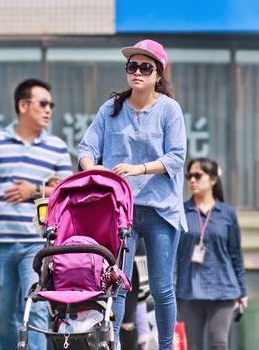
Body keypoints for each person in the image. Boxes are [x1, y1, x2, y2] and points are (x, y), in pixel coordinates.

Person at [78, 38, 187, 349]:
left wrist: (138, 169)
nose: (137, 72)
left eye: (145, 67)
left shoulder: (170, 110)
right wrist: (92, 170)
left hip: (160, 210)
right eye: (132, 66)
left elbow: (177, 157)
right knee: (117, 286)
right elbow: (87, 147)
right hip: (120, 210)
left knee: (161, 287)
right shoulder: (110, 109)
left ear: (158, 74)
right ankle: (112, 345)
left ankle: (165, 346)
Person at [0, 78, 73, 350]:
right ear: (23, 105)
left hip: (38, 245)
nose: (49, 110)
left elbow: (68, 191)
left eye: (52, 105)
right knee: (1, 316)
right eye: (44, 103)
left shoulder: (57, 147)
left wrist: (35, 190)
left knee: (36, 308)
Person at [176, 157, 248, 350]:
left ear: (214, 179)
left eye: (198, 175)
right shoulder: (181, 211)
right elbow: (174, 254)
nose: (192, 180)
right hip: (188, 289)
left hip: (223, 288)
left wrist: (242, 291)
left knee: (219, 343)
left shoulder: (227, 213)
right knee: (192, 346)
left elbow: (235, 255)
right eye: (189, 176)